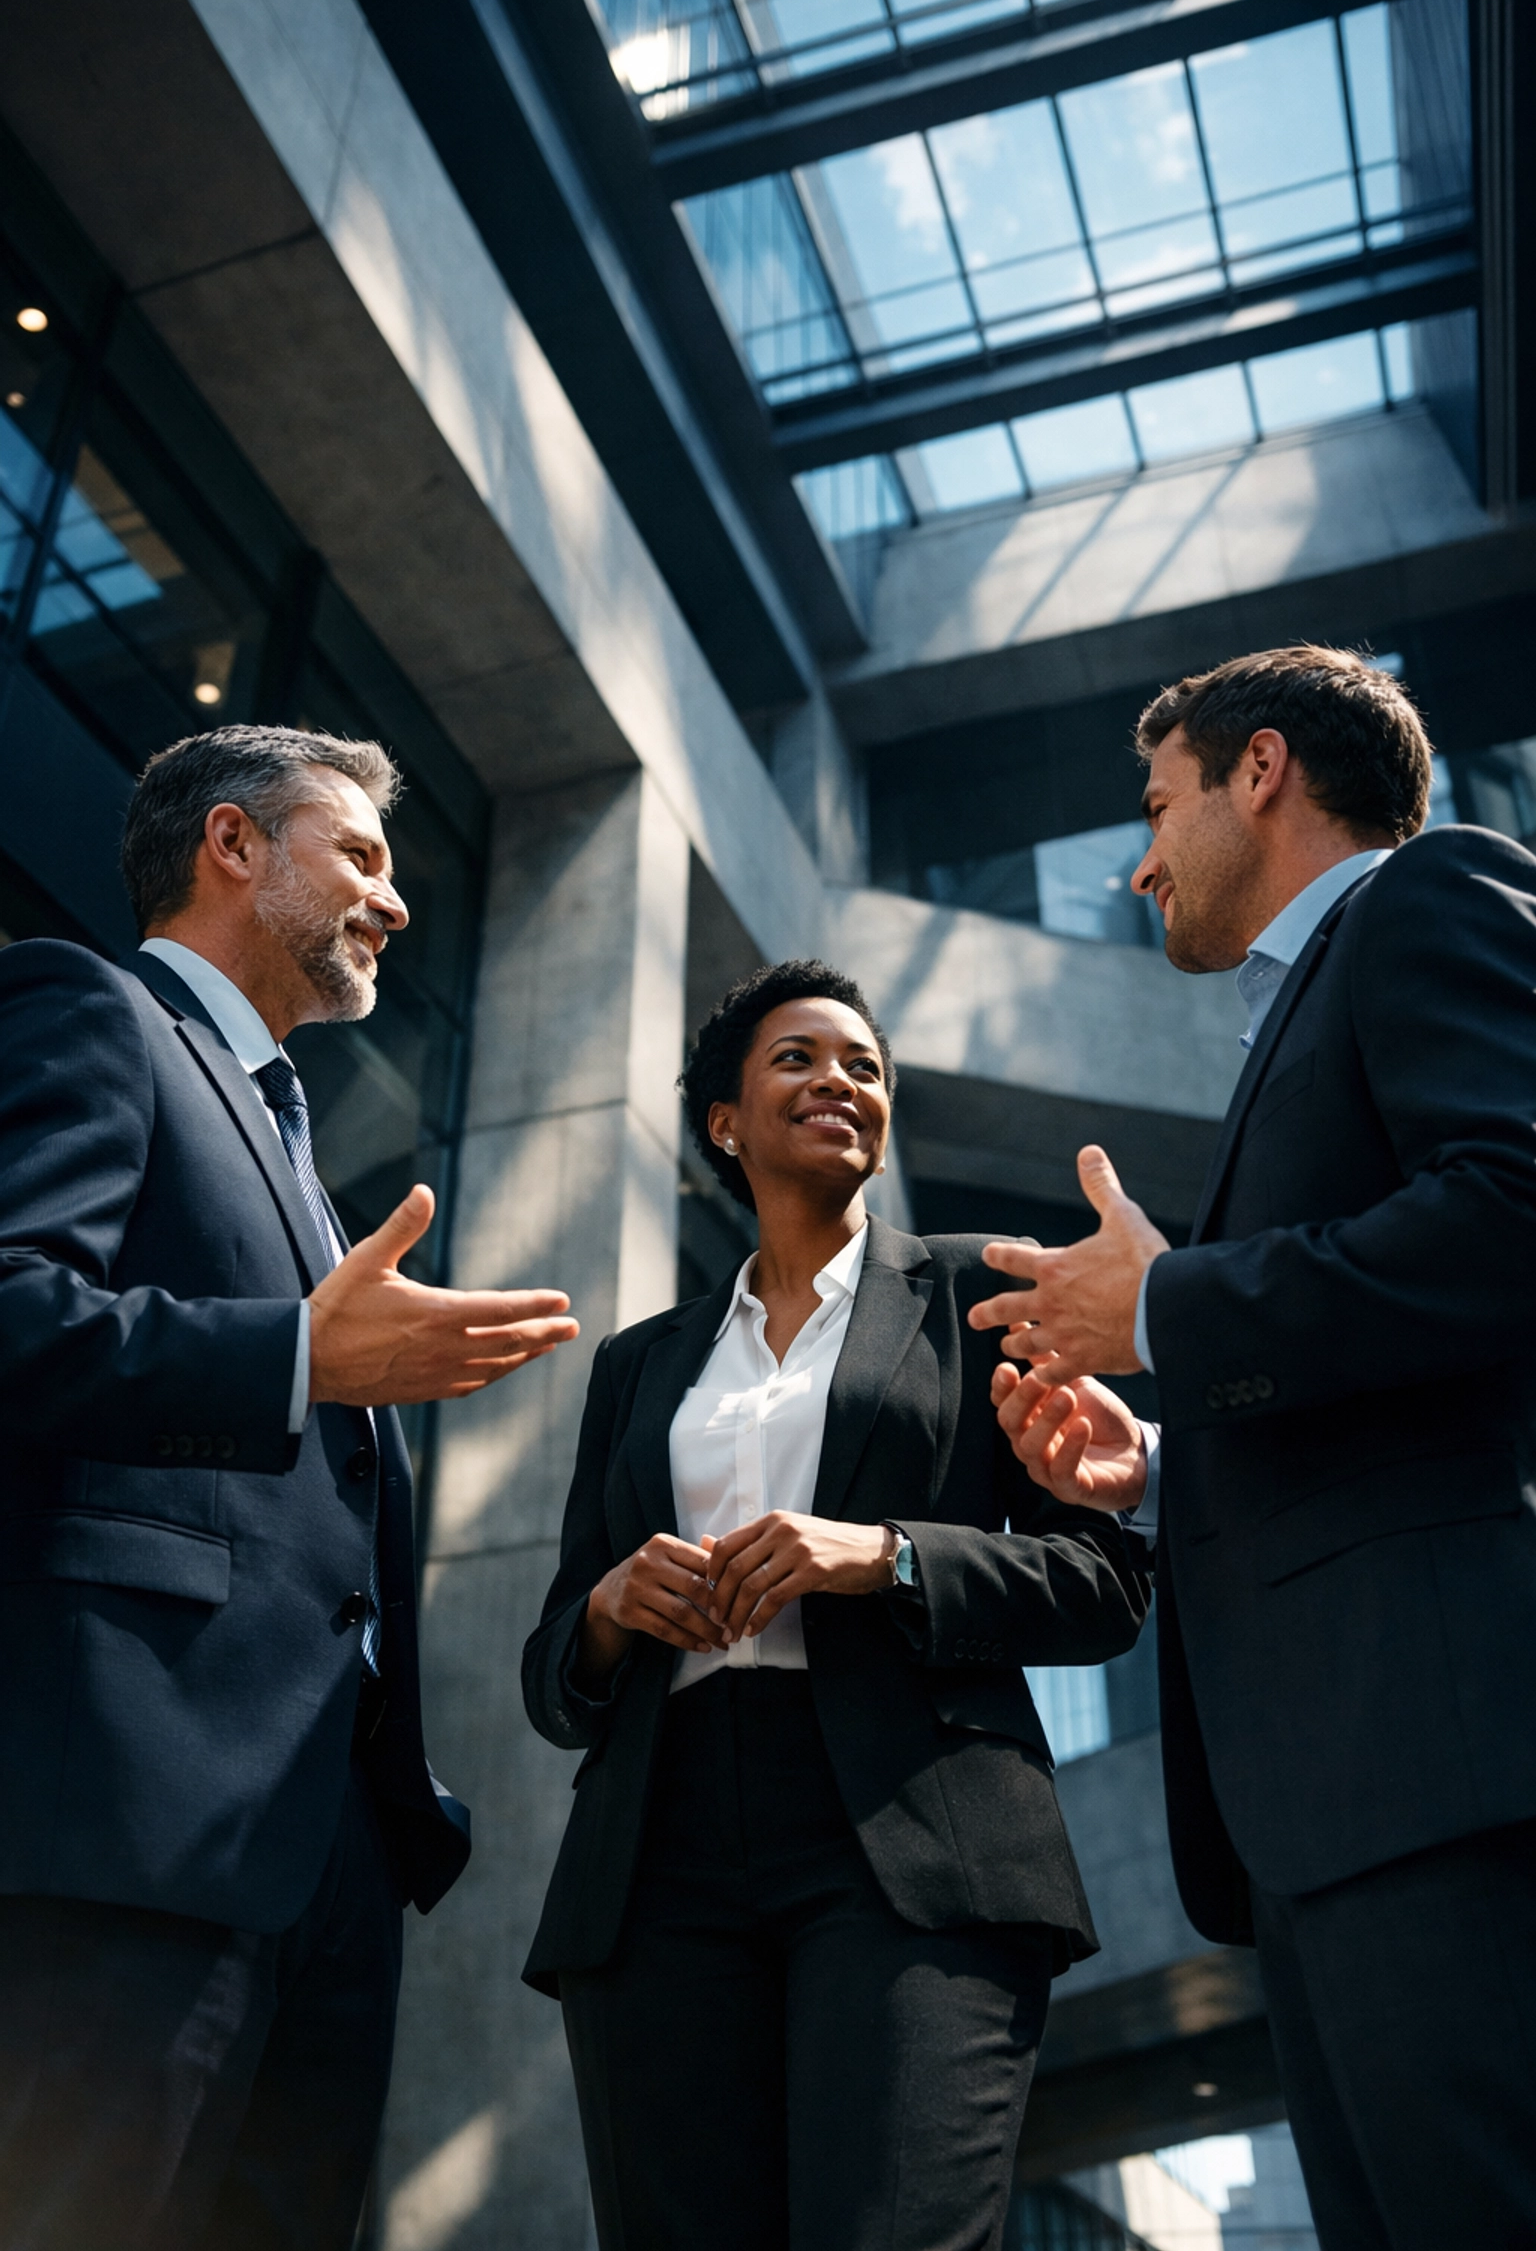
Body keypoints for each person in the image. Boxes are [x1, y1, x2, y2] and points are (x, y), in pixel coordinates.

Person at [970, 648, 1536, 2251]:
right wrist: (1151, 1462)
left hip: (1434, 1762)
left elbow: (1513, 1212)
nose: (1137, 860)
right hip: (1334, 1797)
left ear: (1263, 769)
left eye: (1157, 804)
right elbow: (1378, 1363)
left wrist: (1168, 1309)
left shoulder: (1431, 899)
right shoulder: (1297, 1018)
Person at [0, 724, 580, 2251]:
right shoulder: (88, 1008)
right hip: (126, 1821)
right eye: (365, 859)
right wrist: (295, 1358)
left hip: (323, 1850)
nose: (395, 905)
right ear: (233, 847)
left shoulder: (304, 1160)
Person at [522, 958, 1148, 2251]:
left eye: (864, 1064)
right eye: (797, 1059)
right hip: (657, 1854)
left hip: (912, 1832)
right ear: (724, 1123)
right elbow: (551, 1678)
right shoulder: (642, 1366)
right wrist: (609, 1606)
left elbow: (1103, 1586)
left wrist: (888, 1556)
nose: (840, 1081)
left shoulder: (981, 1297)